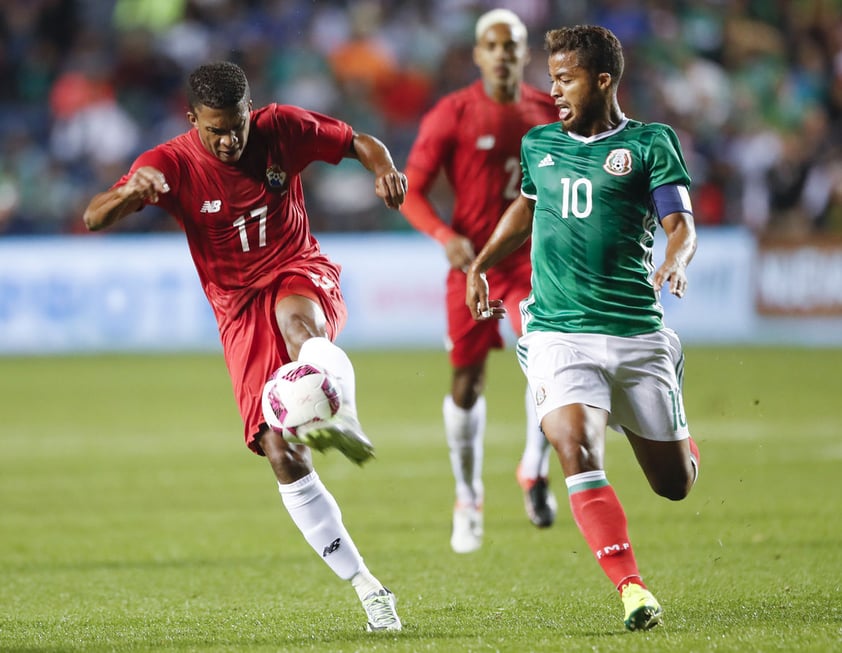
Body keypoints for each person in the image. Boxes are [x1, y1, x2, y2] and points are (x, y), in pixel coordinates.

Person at [82, 61, 405, 632]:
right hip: (236, 308)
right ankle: (369, 588)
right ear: (192, 121)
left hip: (297, 266)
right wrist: (131, 191)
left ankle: (345, 417)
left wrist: (385, 169)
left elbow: (359, 141)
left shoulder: (282, 128)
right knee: (282, 455)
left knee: (301, 327)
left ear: (250, 111)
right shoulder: (170, 163)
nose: (230, 140)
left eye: (237, 126)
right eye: (216, 130)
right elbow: (93, 216)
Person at [465, 25, 701, 631]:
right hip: (557, 331)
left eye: (566, 79)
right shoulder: (539, 143)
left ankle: (664, 398)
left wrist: (675, 257)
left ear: (603, 81)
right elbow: (528, 204)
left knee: (675, 485)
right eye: (552, 78)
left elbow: (679, 221)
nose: (555, 90)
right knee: (574, 446)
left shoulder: (651, 143)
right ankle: (632, 589)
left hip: (634, 330)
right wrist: (482, 263)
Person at [401, 8, 560, 554]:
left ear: (524, 52)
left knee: (549, 362)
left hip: (534, 261)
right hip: (472, 266)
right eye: (491, 45)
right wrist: (444, 236)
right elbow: (411, 190)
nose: (501, 54)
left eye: (511, 45)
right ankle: (467, 495)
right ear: (477, 54)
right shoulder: (453, 113)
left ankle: (533, 467)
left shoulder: (548, 111)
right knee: (467, 384)